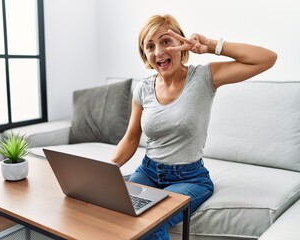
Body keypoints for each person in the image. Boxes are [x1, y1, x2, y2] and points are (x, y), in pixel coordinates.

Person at [111, 14, 277, 240]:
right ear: (145, 55)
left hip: (190, 178)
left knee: (149, 221)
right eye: (150, 46)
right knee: (116, 214)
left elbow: (266, 58)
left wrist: (209, 45)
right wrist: (106, 169)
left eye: (166, 41)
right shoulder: (143, 89)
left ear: (181, 44)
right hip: (148, 171)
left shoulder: (203, 77)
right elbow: (131, 138)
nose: (159, 52)